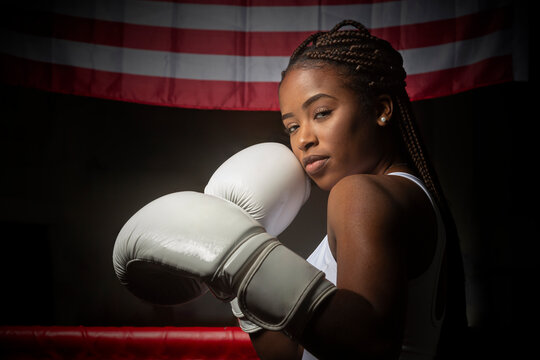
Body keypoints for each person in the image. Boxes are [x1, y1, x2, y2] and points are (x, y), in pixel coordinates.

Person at [245, 20, 468, 359]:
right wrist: (238, 279)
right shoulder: (405, 195)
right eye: (291, 126)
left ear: (381, 109)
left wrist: (239, 259)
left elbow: (369, 349)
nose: (303, 139)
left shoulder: (360, 194)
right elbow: (294, 355)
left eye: (321, 113)